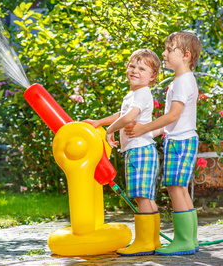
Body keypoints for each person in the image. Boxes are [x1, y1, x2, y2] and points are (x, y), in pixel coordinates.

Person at [125, 31, 202, 255]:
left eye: (170, 50)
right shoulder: (184, 80)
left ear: (186, 55)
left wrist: (142, 128)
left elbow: (172, 116)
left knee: (175, 188)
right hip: (181, 139)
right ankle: (190, 240)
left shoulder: (181, 82)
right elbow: (171, 121)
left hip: (180, 142)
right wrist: (151, 133)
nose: (164, 54)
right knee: (180, 189)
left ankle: (184, 241)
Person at [83, 48, 161, 256]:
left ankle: (145, 242)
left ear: (152, 77)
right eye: (132, 66)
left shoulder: (142, 93)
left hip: (140, 151)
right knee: (146, 197)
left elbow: (128, 118)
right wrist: (99, 122)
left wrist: (110, 130)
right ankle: (153, 241)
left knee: (141, 197)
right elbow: (123, 113)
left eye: (142, 68)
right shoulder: (135, 94)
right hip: (141, 151)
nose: (135, 70)